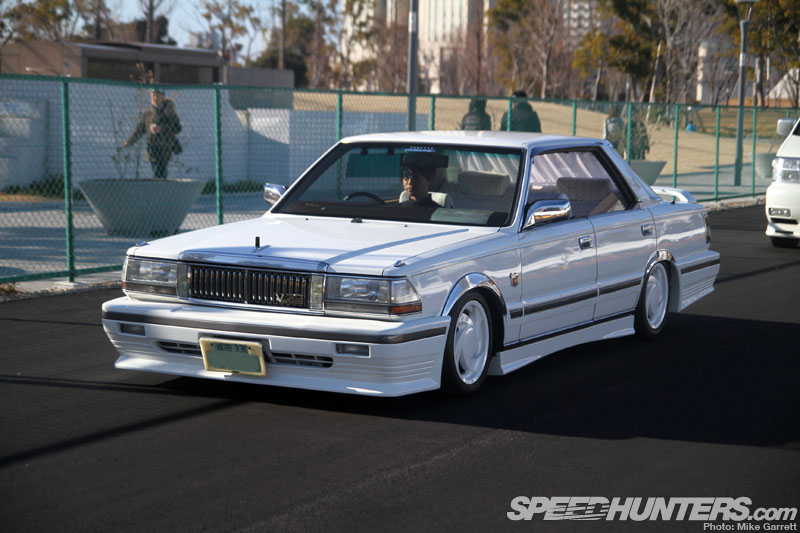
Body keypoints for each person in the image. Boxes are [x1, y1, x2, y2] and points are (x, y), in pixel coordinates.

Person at [125, 88, 182, 179]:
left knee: (160, 173)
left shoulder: (169, 112)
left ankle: (160, 186)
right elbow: (140, 130)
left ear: (163, 97)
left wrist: (161, 129)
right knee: (157, 173)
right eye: (153, 95)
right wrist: (130, 141)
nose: (155, 98)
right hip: (152, 149)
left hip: (164, 148)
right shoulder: (148, 113)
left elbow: (177, 128)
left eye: (158, 95)